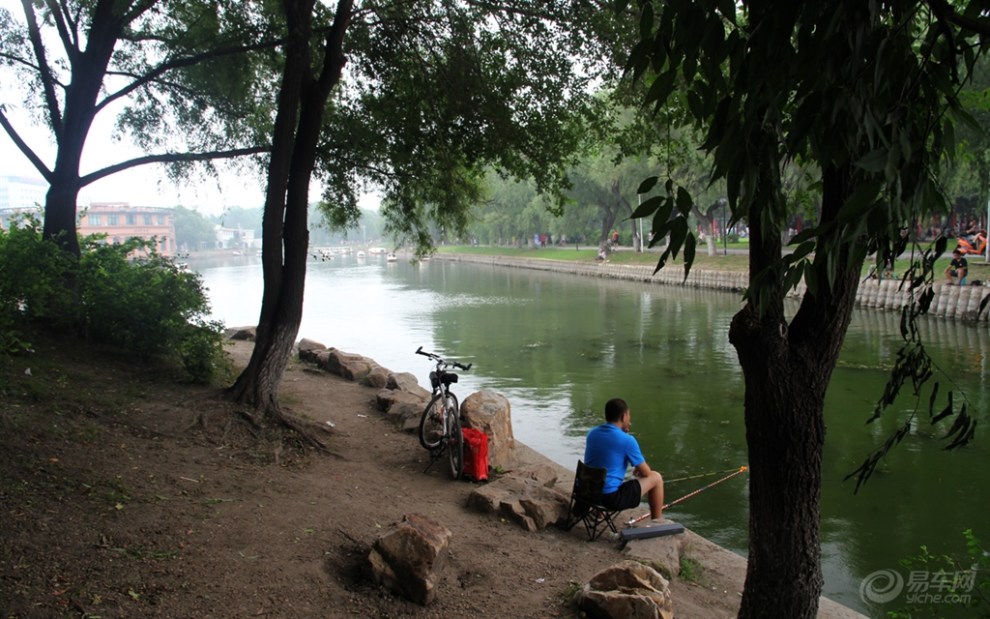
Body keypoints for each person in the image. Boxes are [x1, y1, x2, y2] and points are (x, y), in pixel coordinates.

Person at [583, 398, 665, 520]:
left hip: (586, 493)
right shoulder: (627, 440)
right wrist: (640, 469)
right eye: (629, 415)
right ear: (623, 417)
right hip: (609, 499)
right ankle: (658, 522)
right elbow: (647, 473)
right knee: (656, 478)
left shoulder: (592, 433)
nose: (629, 419)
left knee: (605, 474)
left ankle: (598, 512)